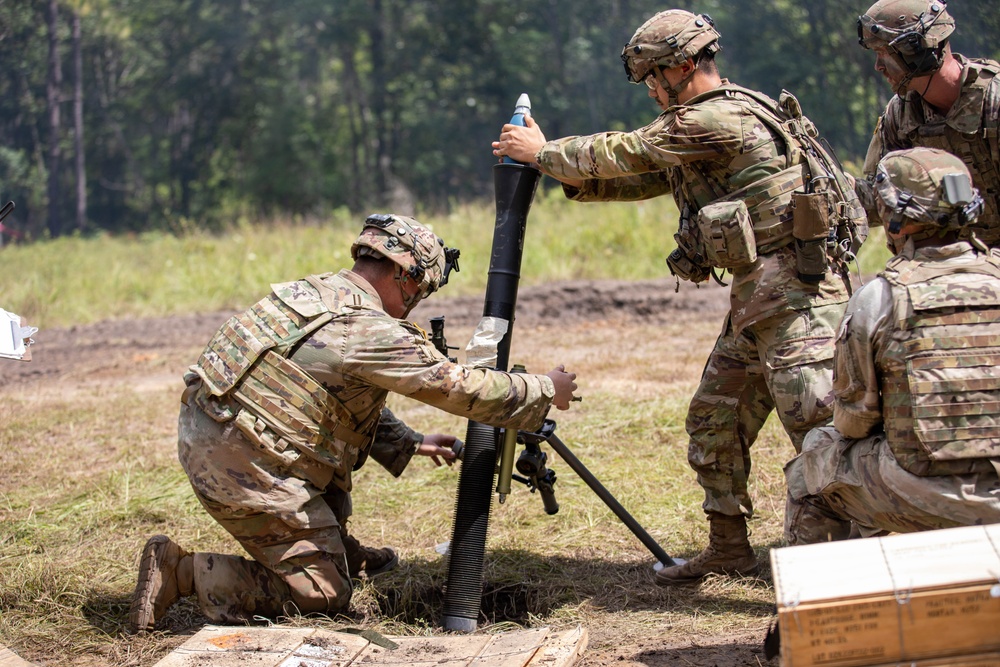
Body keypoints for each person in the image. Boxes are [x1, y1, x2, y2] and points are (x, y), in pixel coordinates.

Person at [493, 10, 867, 584]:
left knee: (820, 434)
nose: (649, 90)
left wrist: (544, 152)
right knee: (713, 419)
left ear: (685, 66)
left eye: (652, 78)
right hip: (760, 304)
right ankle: (729, 547)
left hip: (801, 307)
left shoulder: (718, 116)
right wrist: (562, 174)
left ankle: (856, 568)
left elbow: (631, 151)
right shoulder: (703, 124)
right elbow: (645, 177)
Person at [128, 213, 578, 632]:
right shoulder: (368, 328)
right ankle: (181, 572)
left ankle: (332, 548)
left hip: (219, 432)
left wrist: (406, 442)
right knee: (324, 593)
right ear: (405, 274)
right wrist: (544, 388)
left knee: (331, 470)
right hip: (241, 463)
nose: (414, 305)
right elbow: (456, 387)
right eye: (419, 291)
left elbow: (320, 394)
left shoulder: (315, 293)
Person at [784, 147, 1000, 544]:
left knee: (814, 458)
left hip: (928, 496)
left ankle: (825, 599)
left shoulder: (878, 298)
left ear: (896, 219)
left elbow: (854, 421)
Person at [855, 0, 1000, 244]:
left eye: (883, 53)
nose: (878, 66)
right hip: (939, 267)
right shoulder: (901, 113)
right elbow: (875, 198)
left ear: (917, 51)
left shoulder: (993, 102)